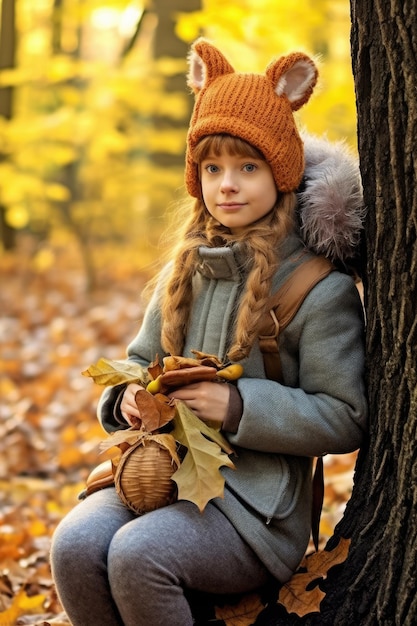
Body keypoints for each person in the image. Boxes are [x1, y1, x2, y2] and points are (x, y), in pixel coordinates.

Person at [50, 38, 368, 626]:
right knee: (74, 547)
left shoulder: (315, 289)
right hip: (162, 475)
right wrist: (124, 400)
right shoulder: (187, 271)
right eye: (213, 168)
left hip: (255, 510)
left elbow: (344, 415)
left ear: (281, 170)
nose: (228, 184)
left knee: (139, 556)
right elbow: (138, 362)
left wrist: (238, 404)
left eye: (248, 167)